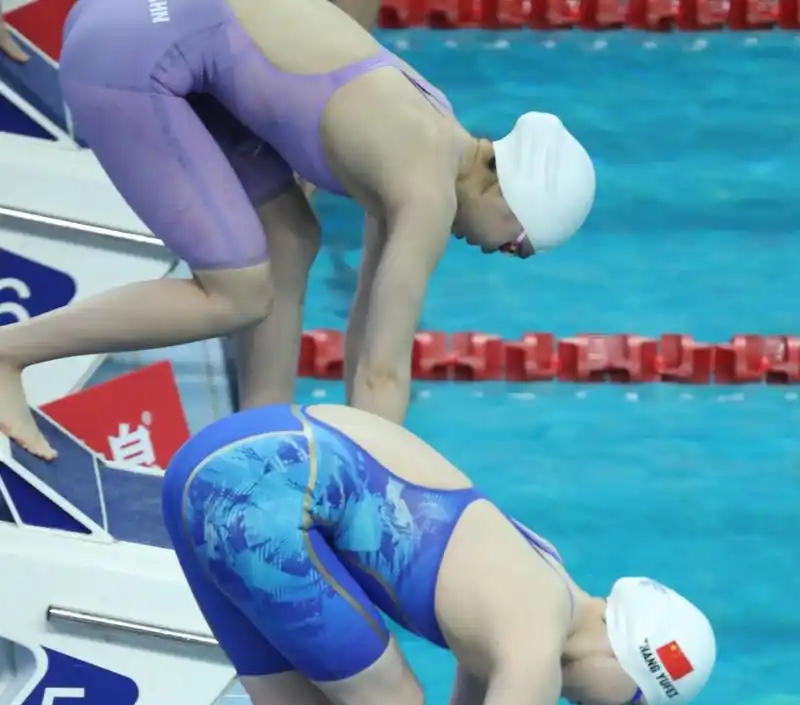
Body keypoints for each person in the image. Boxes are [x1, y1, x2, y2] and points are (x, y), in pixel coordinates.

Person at [0, 402, 714, 705]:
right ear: (629, 658)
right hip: (259, 484)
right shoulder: (532, 646)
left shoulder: (540, 585)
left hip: (228, 467)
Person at [0, 0, 595, 460]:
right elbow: (383, 372)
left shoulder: (434, 126)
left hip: (136, 21)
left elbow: (368, 327)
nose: (500, 251)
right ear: (507, 192)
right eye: (517, 244)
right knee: (237, 294)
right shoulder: (428, 192)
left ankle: (257, 443)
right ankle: (9, 353)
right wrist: (373, 494)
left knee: (291, 238)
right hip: (128, 58)